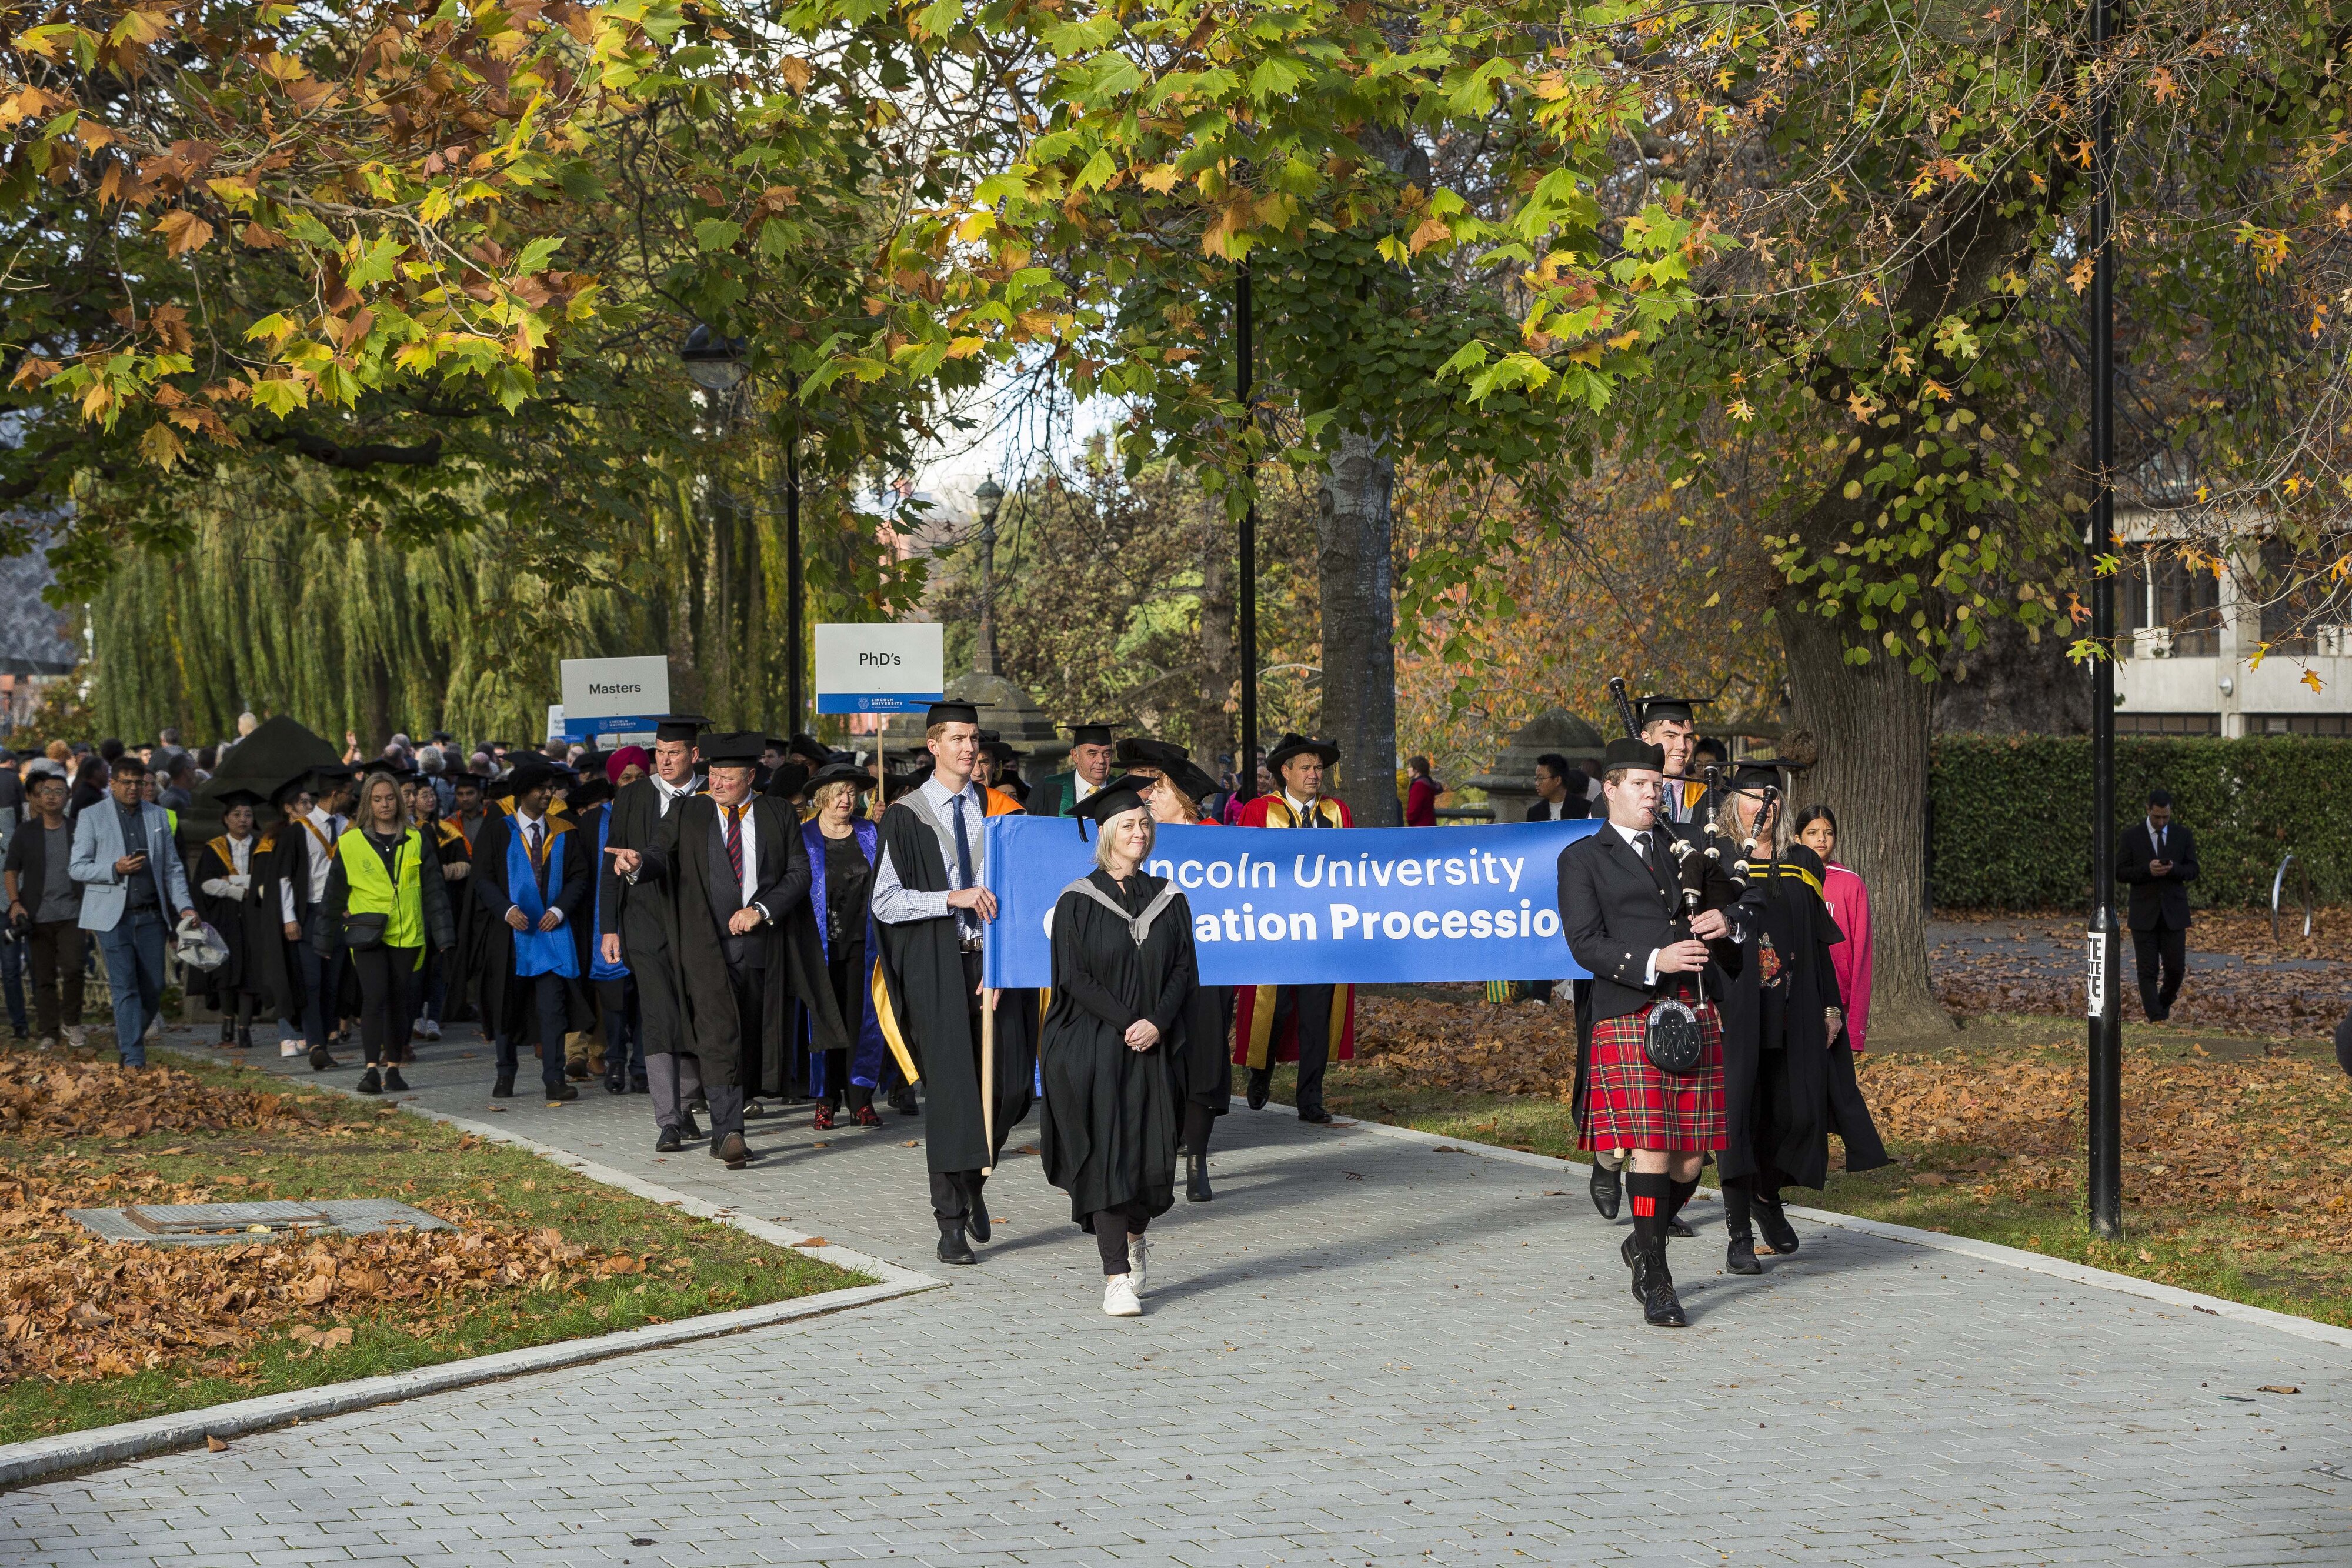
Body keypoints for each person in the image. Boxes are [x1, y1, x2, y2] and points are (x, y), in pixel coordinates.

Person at [1557, 734, 1750, 1327]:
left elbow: (1742, 906)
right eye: (1639, 784)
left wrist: (1729, 922)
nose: (1652, 793)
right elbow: (1585, 942)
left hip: (1694, 1009)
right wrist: (1655, 960)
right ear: (1610, 788)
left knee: (1690, 1162)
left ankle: (1641, 1242)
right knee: (1653, 1146)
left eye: (1657, 785)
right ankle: (1659, 1277)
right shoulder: (1582, 858)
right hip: (1630, 1011)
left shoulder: (1690, 848)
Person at [609, 733, 843, 1169]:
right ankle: (730, 1131)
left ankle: (727, 1127)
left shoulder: (776, 813)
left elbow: (798, 872)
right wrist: (638, 865)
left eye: (727, 778)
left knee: (751, 1037)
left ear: (751, 777)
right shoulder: (688, 811)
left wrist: (761, 910)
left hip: (761, 948)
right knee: (719, 1037)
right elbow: (660, 853)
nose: (716, 784)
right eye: (713, 776)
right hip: (703, 946)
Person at [870, 701, 1041, 1264]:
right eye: (959, 739)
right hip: (939, 968)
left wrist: (1001, 963)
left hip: (996, 968)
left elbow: (1021, 896)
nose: (971, 749)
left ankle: (974, 1181)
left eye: (975, 739)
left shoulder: (1003, 813)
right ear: (933, 747)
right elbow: (886, 902)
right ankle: (949, 1222)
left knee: (1012, 1086)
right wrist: (951, 897)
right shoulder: (907, 816)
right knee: (951, 1097)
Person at [1714, 770, 1889, 1275]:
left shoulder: (1801, 862)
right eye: (1752, 799)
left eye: (1772, 798)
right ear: (1734, 806)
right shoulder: (1719, 859)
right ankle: (1738, 1233)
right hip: (1737, 1009)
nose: (1763, 807)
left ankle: (1766, 1196)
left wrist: (1832, 1007)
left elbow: (1818, 941)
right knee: (1737, 1116)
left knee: (1791, 1113)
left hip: (1795, 1007)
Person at [1040, 778, 1195, 1317]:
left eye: (1144, 823)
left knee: (1150, 1163)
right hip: (1093, 1045)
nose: (1139, 832)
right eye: (1128, 825)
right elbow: (1074, 978)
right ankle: (1115, 1277)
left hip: (1153, 1046)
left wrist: (1155, 1022)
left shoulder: (1170, 899)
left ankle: (1135, 1236)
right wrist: (1129, 1021)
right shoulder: (1077, 901)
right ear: (1106, 834)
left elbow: (1183, 970)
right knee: (1107, 1157)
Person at [1119, 738, 1232, 1201]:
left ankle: (1198, 1158)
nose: (1149, 798)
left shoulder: (1218, 840)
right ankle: (1163, 1153)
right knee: (1162, 1060)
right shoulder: (1143, 843)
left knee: (1203, 1059)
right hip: (1158, 971)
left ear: (1181, 799)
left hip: (1209, 970)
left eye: (1159, 792)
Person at [1231, 733, 1355, 1123]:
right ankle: (1260, 1073)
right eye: (1306, 767)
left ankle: (1310, 1099)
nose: (1315, 774)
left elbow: (1352, 865)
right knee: (1275, 1010)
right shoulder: (1257, 811)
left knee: (1317, 1017)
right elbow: (1241, 866)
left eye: (1319, 768)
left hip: (1322, 934)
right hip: (1275, 932)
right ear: (1285, 771)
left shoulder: (1338, 813)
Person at [600, 716, 708, 1146]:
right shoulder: (632, 796)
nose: (664, 761)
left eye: (674, 753)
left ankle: (688, 1101)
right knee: (659, 1014)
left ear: (694, 755)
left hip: (697, 921)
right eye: (659, 753)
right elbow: (611, 862)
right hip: (644, 920)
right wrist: (609, 927)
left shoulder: (710, 793)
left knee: (696, 1012)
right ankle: (668, 1117)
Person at [317, 769, 455, 1094]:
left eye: (390, 797)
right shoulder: (350, 843)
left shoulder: (418, 839)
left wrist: (445, 936)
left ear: (399, 800)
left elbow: (434, 891)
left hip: (407, 933)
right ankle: (370, 1070)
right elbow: (333, 894)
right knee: (375, 996)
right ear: (368, 802)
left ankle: (393, 1067)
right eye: (377, 799)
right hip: (367, 934)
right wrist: (323, 938)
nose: (384, 804)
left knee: (400, 1000)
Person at [471, 758, 591, 1103]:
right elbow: (483, 879)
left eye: (550, 789)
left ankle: (554, 1078)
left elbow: (578, 877)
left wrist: (559, 909)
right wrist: (506, 910)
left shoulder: (564, 831)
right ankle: (505, 1074)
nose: (547, 794)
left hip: (552, 935)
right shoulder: (498, 831)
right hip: (511, 936)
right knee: (507, 1005)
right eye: (541, 789)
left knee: (552, 1010)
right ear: (523, 793)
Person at [69, 753, 198, 1067]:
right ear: (112, 784)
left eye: (138, 783)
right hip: (112, 916)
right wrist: (114, 868)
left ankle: (127, 1035)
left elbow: (172, 869)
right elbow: (77, 868)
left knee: (155, 987)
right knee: (124, 985)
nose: (132, 788)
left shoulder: (158, 816)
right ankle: (133, 1058)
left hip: (152, 915)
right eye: (125, 782)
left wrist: (185, 907)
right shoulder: (92, 816)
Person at [802, 762, 888, 1130]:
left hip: (863, 944)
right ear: (822, 797)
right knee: (825, 1022)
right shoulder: (804, 837)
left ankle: (861, 1100)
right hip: (819, 945)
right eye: (839, 793)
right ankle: (826, 1099)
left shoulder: (870, 832)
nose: (846, 800)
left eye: (852, 793)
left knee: (861, 1021)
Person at [190, 789, 288, 1051]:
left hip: (254, 920)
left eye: (248, 814)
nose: (243, 819)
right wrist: (239, 890)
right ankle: (227, 1025)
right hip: (224, 920)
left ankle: (245, 1030)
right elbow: (206, 884)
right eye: (237, 814)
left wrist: (230, 880)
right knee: (225, 972)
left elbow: (267, 883)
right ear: (226, 818)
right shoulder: (215, 848)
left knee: (249, 975)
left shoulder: (262, 846)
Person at [4, 768, 85, 1049]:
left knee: (75, 968)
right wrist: (15, 903)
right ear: (37, 797)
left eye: (58, 792)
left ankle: (72, 1022)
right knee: (43, 975)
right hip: (37, 914)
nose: (51, 797)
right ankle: (49, 1031)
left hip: (73, 912)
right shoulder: (26, 833)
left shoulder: (78, 830)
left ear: (68, 796)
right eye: (45, 792)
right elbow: (11, 870)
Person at [1793, 805, 1873, 1053]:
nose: (1821, 839)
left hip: (1837, 1003)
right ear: (1797, 838)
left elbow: (1862, 956)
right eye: (1812, 832)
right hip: (1795, 997)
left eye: (1828, 833)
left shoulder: (1851, 884)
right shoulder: (1788, 878)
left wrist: (1857, 1029)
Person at [2118, 787, 2198, 1022]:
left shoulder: (2182, 835)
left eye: (2166, 817)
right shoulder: (2131, 837)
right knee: (2147, 970)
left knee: (2176, 970)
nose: (2162, 822)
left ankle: (2162, 1005)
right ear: (2148, 810)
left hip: (2174, 913)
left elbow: (2193, 869)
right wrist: (2147, 870)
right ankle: (2156, 1018)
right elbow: (2120, 872)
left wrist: (2174, 868)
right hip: (2144, 912)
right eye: (2157, 817)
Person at [1637, 696, 1709, 825]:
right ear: (1646, 740)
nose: (1682, 746)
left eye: (1688, 737)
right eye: (1671, 736)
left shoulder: (1710, 800)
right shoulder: (1618, 800)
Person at [1027, 721, 1118, 817]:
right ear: (1075, 756)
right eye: (1092, 754)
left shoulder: (1122, 789)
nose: (1101, 760)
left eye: (1107, 754)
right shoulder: (1046, 790)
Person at [1528, 752, 1592, 822]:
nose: (1537, 783)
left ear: (1557, 780)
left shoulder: (1585, 809)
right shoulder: (1534, 812)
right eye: (1536, 779)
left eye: (1541, 779)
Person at [1404, 755, 1440, 826]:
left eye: (1410, 767)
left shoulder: (1419, 786)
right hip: (1429, 825)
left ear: (1416, 769)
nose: (1408, 770)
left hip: (1420, 827)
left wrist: (1408, 820)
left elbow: (1413, 813)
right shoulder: (1427, 783)